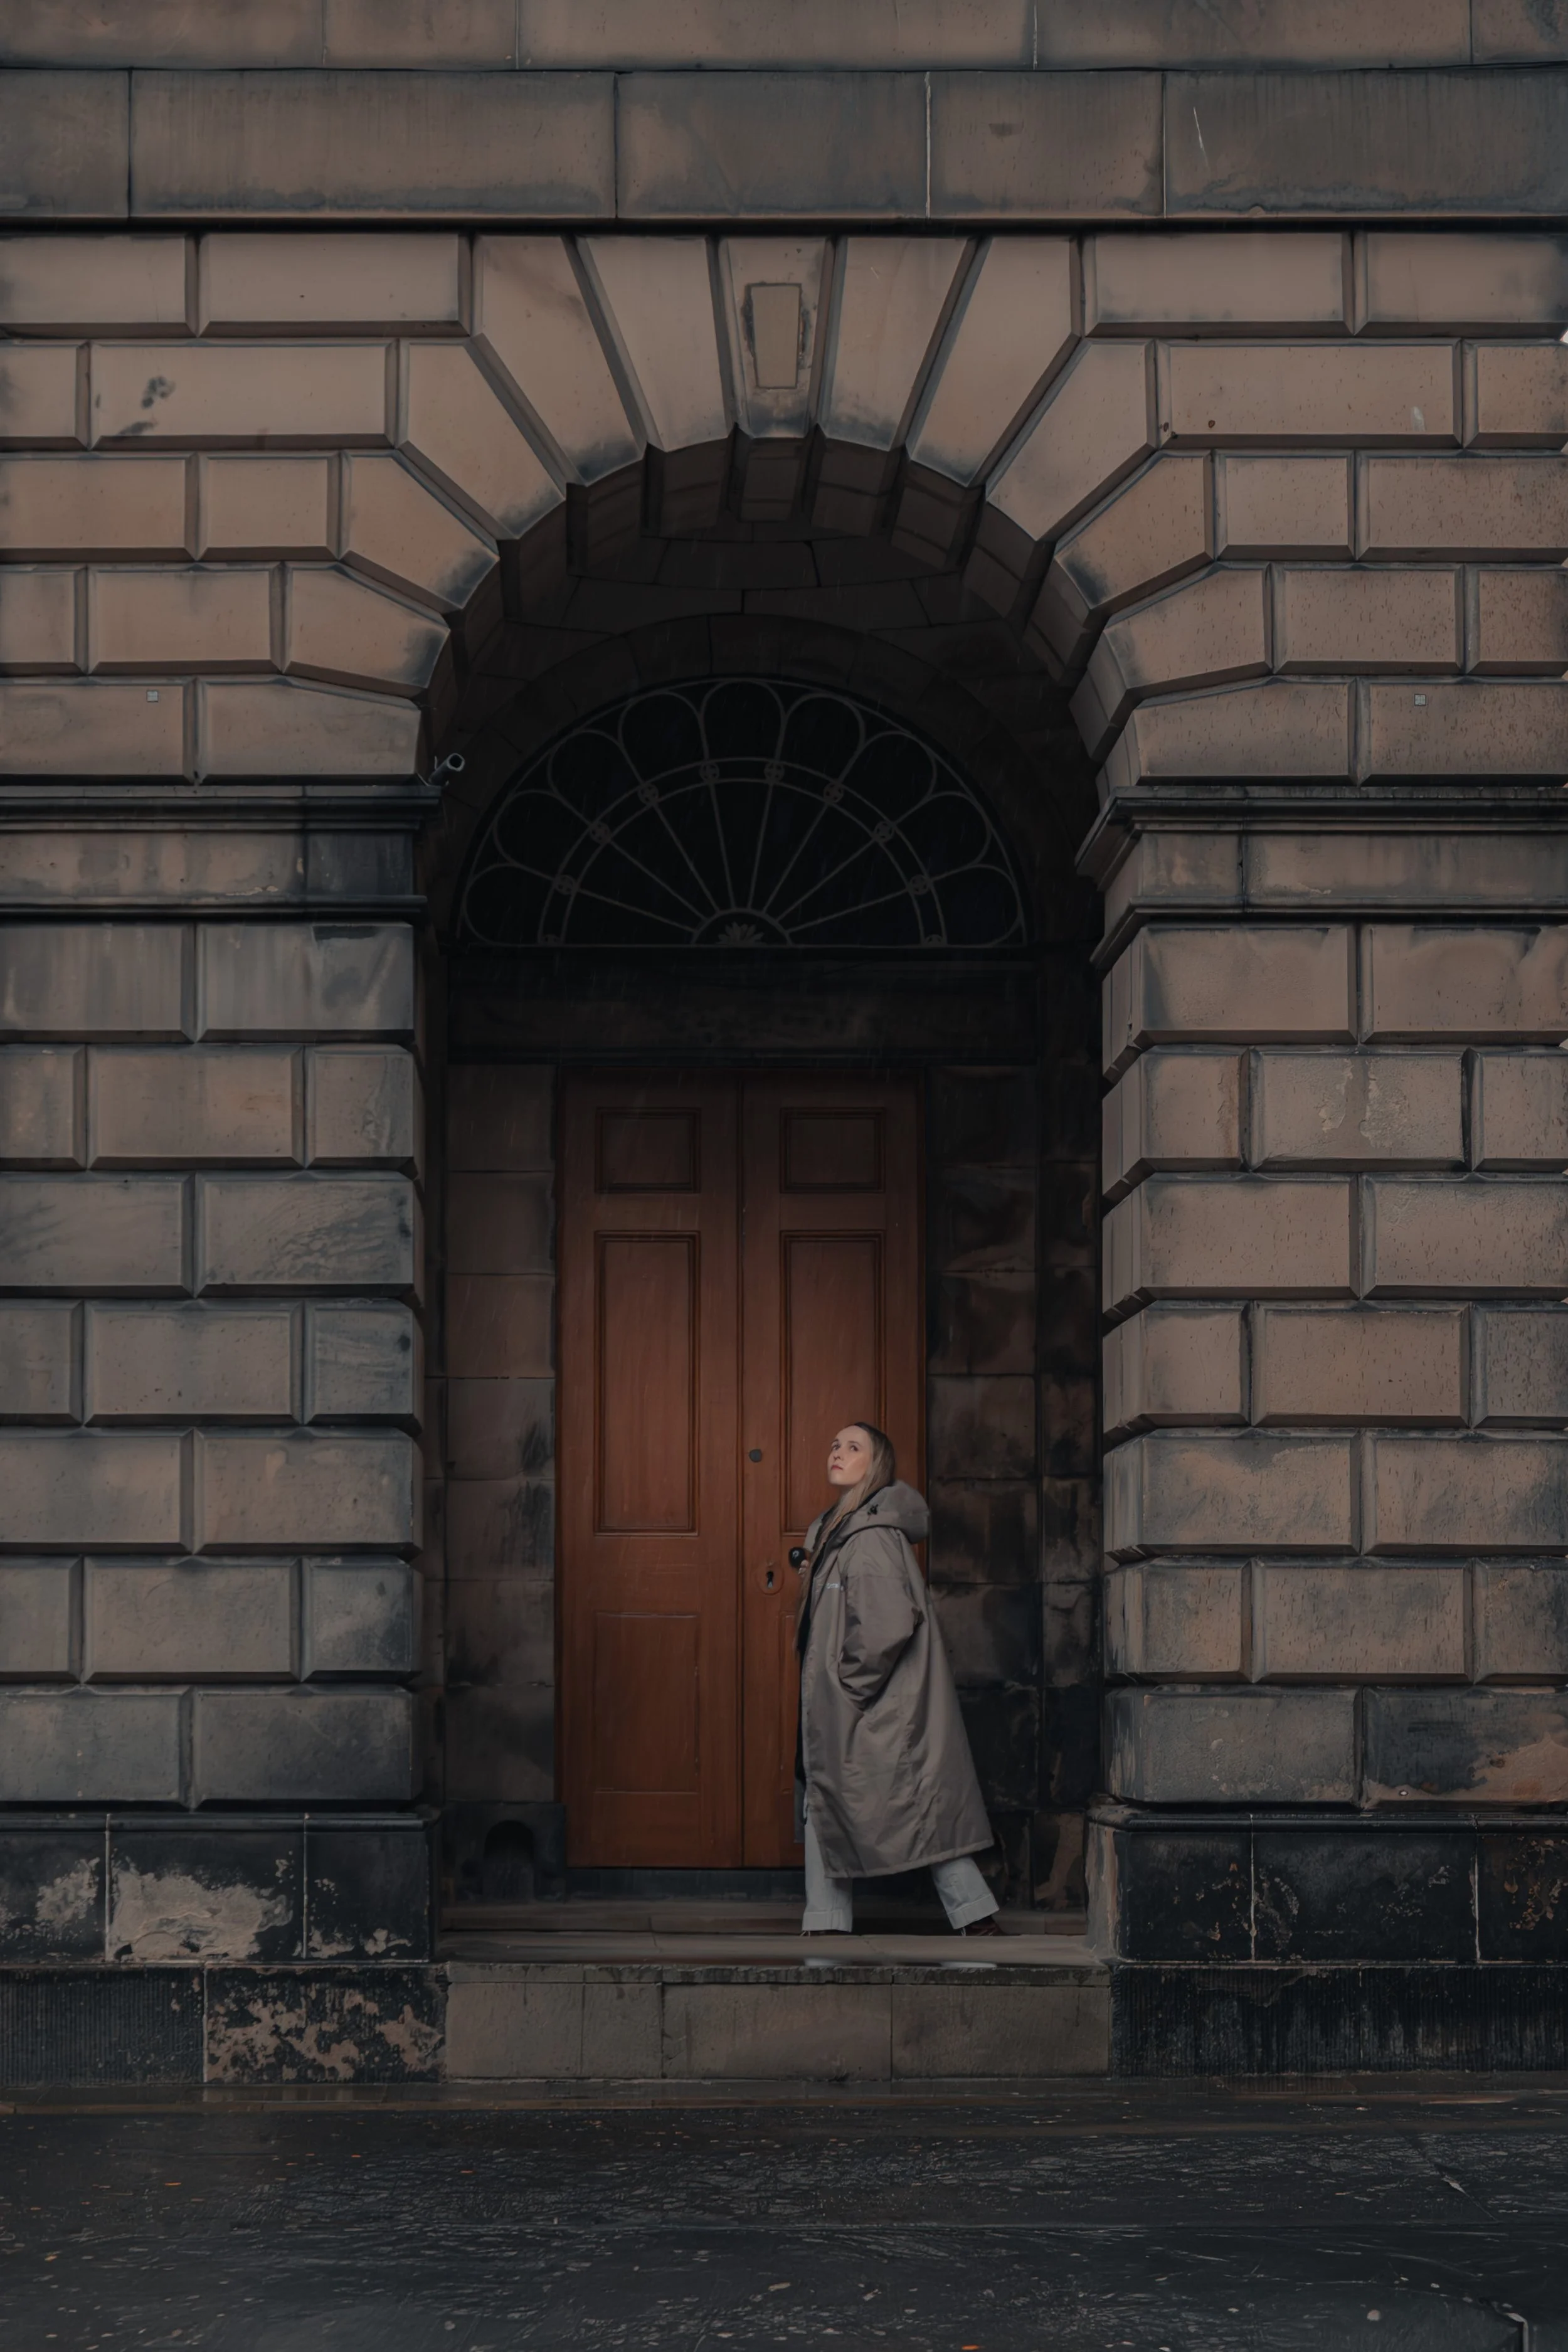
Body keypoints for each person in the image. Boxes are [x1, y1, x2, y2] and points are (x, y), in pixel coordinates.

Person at [793, 1422, 1005, 1937]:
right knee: (840, 1798)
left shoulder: (869, 1537)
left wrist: (848, 1685)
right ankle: (830, 1920)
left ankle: (969, 1915)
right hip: (856, 1700)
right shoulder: (839, 1529)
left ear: (877, 1463)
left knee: (875, 1799)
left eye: (853, 1446)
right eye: (834, 1443)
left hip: (870, 1702)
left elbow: (887, 1623)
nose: (838, 1452)